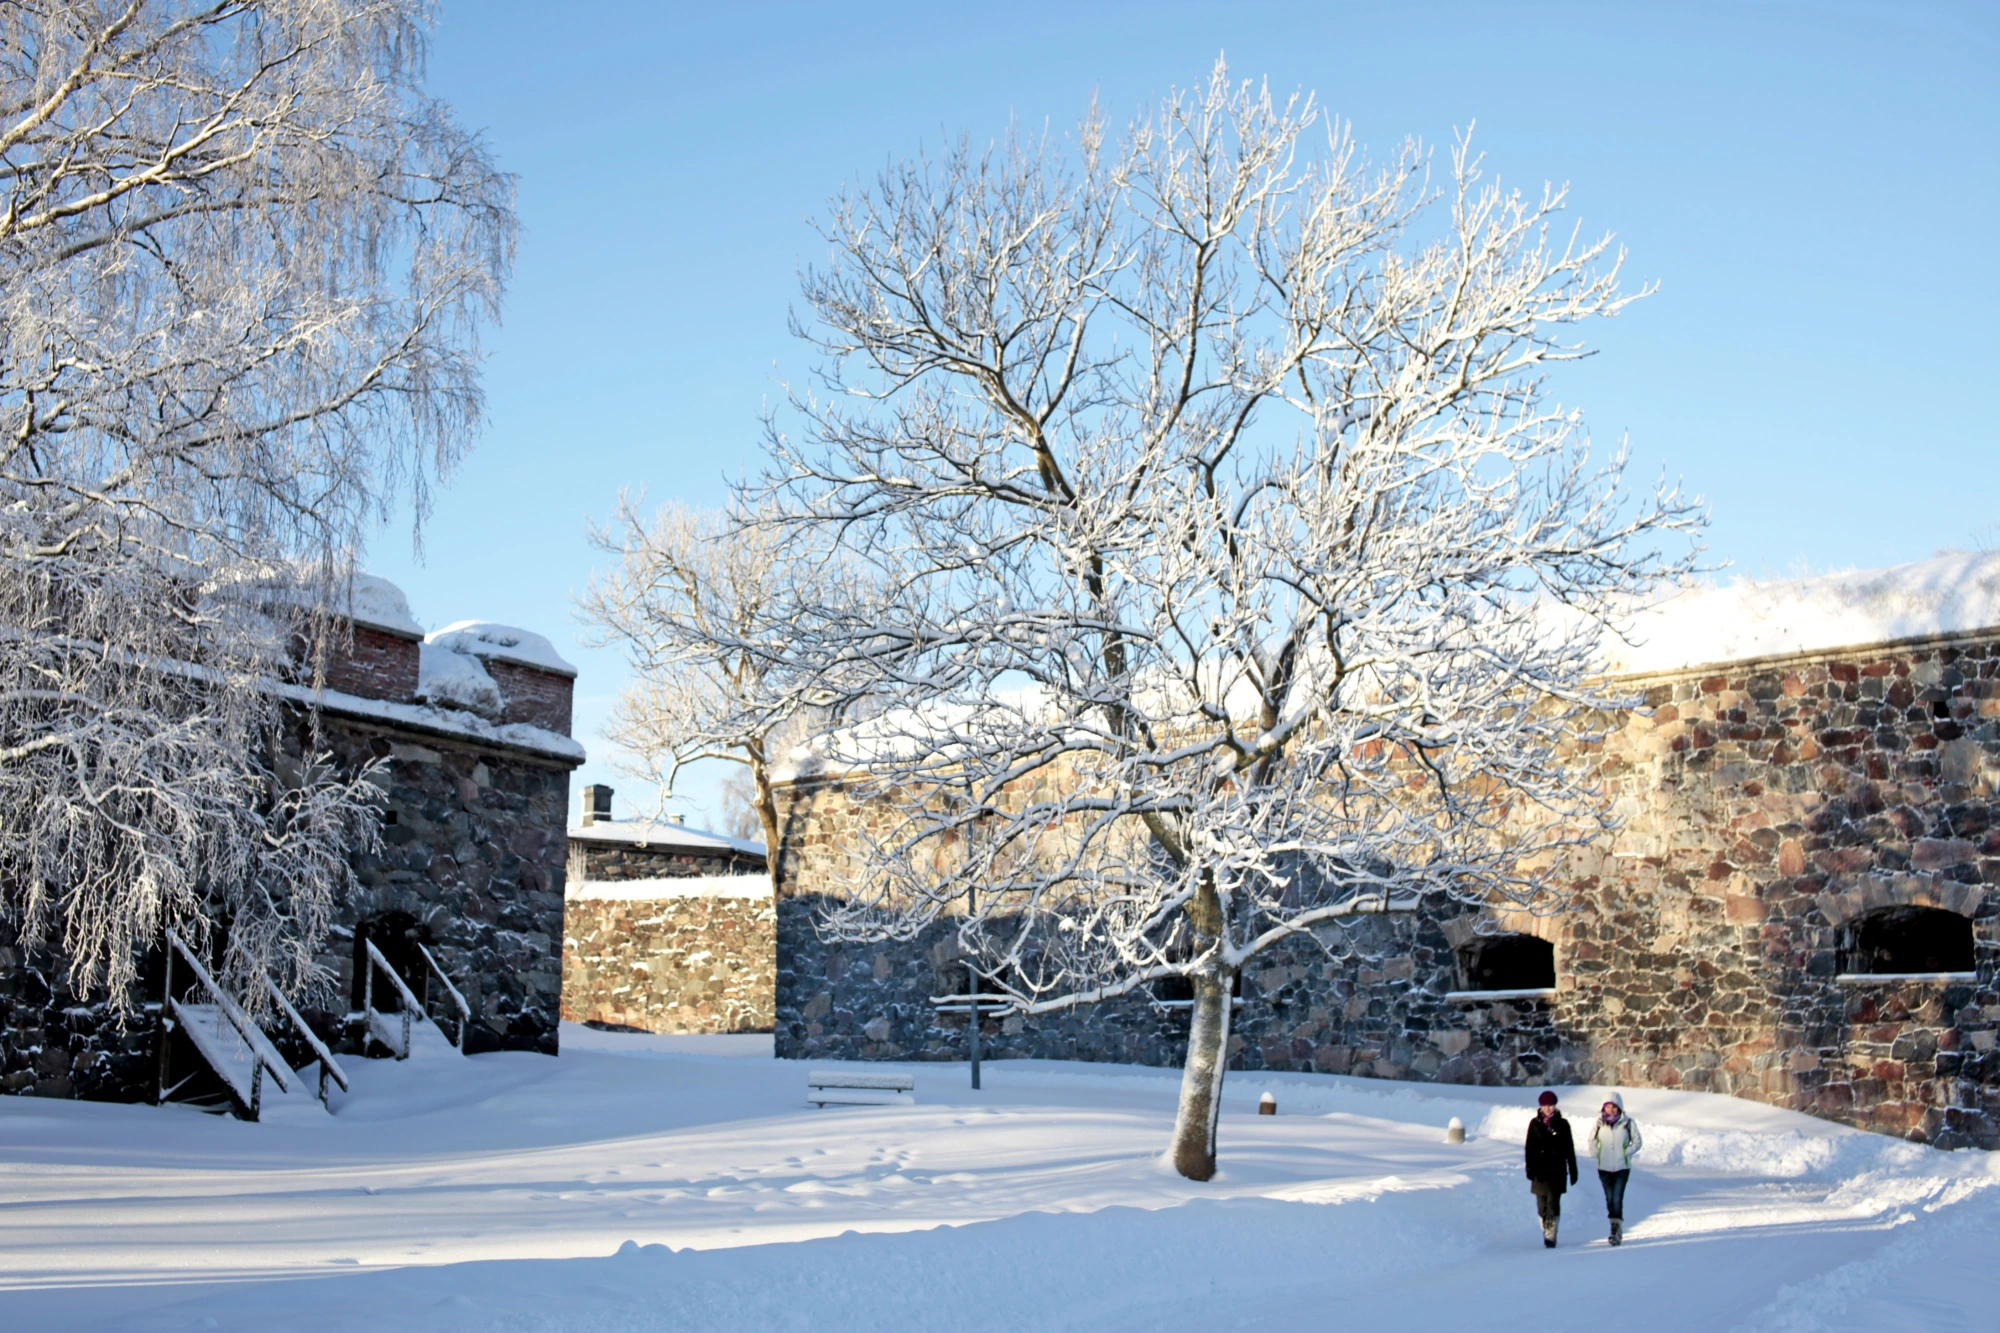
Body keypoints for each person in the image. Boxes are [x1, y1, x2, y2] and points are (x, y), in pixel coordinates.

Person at [1587, 1091, 1643, 1246]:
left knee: (1617, 1198)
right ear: (1603, 1108)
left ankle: (1615, 1229)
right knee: (1609, 1198)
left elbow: (1637, 1141)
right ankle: (1614, 1223)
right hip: (1604, 1168)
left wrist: (1627, 1152)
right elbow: (1591, 1140)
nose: (1611, 1110)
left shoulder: (1627, 1123)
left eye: (1614, 1107)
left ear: (1619, 1108)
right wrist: (1596, 1153)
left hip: (1621, 1167)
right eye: (1608, 1107)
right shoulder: (1599, 1123)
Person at [1524, 1089, 1577, 1248]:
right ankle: (1545, 1223)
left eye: (1551, 1105)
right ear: (1540, 1107)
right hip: (1539, 1170)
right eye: (1545, 1105)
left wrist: (1573, 1169)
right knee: (1541, 1204)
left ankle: (1551, 1233)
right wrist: (1529, 1168)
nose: (1548, 1109)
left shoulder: (1562, 1124)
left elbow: (1569, 1148)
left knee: (1553, 1202)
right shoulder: (1534, 1124)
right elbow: (1530, 1147)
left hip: (1557, 1169)